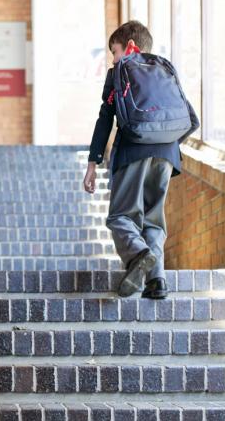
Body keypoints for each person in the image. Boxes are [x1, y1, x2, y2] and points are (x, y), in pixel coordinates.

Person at [84, 20, 199, 300]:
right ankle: (156, 280)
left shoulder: (119, 73)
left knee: (121, 216)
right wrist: (166, 148)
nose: (113, 58)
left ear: (130, 47)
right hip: (167, 153)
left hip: (133, 149)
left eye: (114, 51)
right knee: (153, 220)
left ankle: (139, 254)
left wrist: (93, 162)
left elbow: (105, 119)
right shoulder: (163, 68)